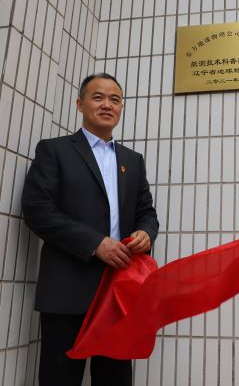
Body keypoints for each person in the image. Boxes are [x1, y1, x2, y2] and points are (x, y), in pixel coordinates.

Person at [22, 73, 159, 386]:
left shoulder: (132, 160)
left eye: (115, 99)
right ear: (80, 104)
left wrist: (145, 233)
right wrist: (95, 243)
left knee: (115, 379)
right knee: (60, 378)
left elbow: (146, 212)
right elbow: (37, 210)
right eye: (98, 97)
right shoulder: (55, 150)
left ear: (121, 108)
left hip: (119, 291)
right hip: (67, 289)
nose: (107, 105)